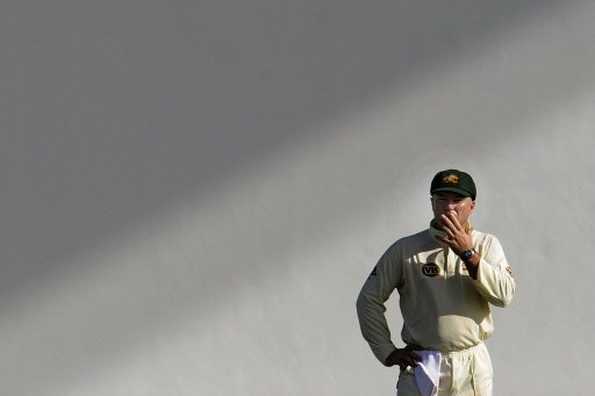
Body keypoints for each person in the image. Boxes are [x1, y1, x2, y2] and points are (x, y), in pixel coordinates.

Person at [356, 169, 515, 396]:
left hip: (471, 363)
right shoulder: (405, 249)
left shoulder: (486, 245)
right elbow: (367, 300)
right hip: (423, 362)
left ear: (472, 206)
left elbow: (505, 295)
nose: (449, 207)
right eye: (442, 200)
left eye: (458, 200)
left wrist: (468, 254)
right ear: (432, 203)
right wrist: (387, 351)